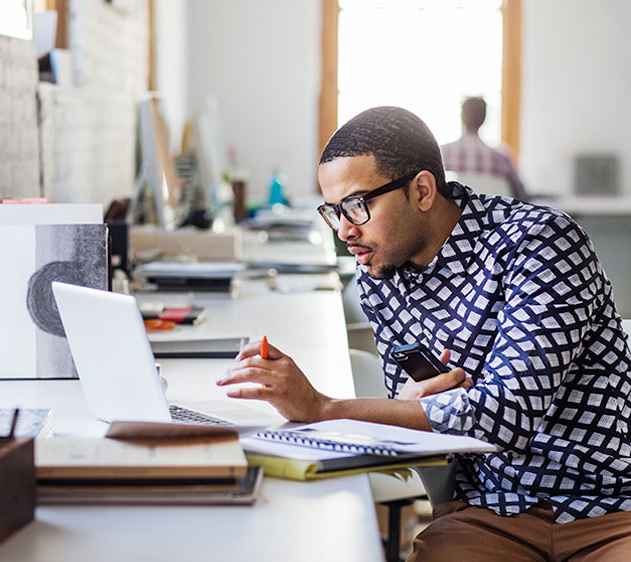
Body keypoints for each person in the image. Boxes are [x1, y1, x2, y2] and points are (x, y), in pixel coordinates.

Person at [216, 106, 631, 560]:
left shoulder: (541, 242)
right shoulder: (380, 273)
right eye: (333, 211)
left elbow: (507, 415)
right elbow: (416, 423)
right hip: (488, 512)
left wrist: (323, 408)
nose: (344, 230)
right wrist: (404, 412)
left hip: (610, 507)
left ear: (422, 190)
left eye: (358, 205)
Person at [442, 96, 529, 201]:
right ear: (483, 118)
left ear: (462, 116)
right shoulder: (501, 158)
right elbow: (521, 196)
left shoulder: (442, 154)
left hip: (455, 216)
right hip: (495, 216)